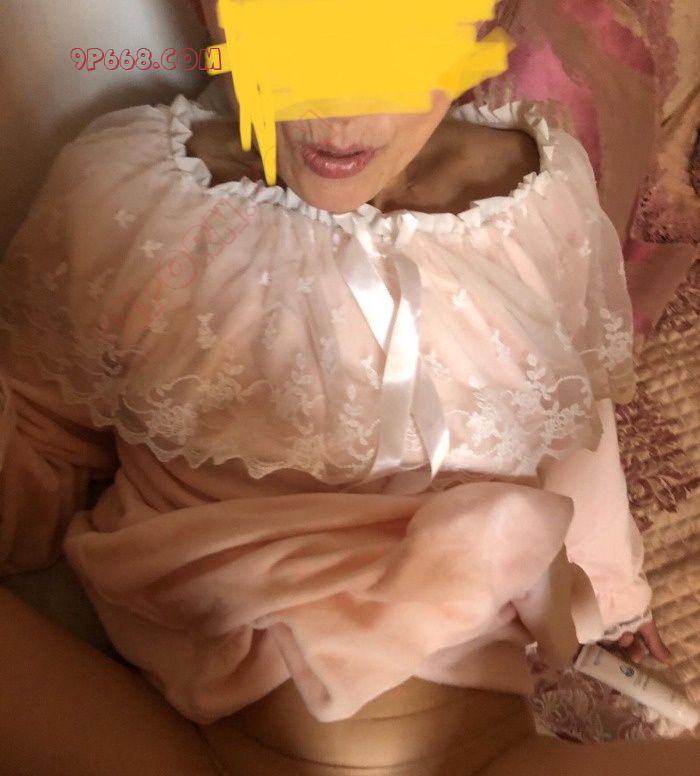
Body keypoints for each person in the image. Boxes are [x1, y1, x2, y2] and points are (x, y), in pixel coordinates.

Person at [0, 1, 697, 773]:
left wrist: (610, 594)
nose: (338, 110)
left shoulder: (538, 193)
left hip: (481, 748)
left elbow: (573, 418)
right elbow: (43, 435)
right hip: (189, 738)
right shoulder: (127, 193)